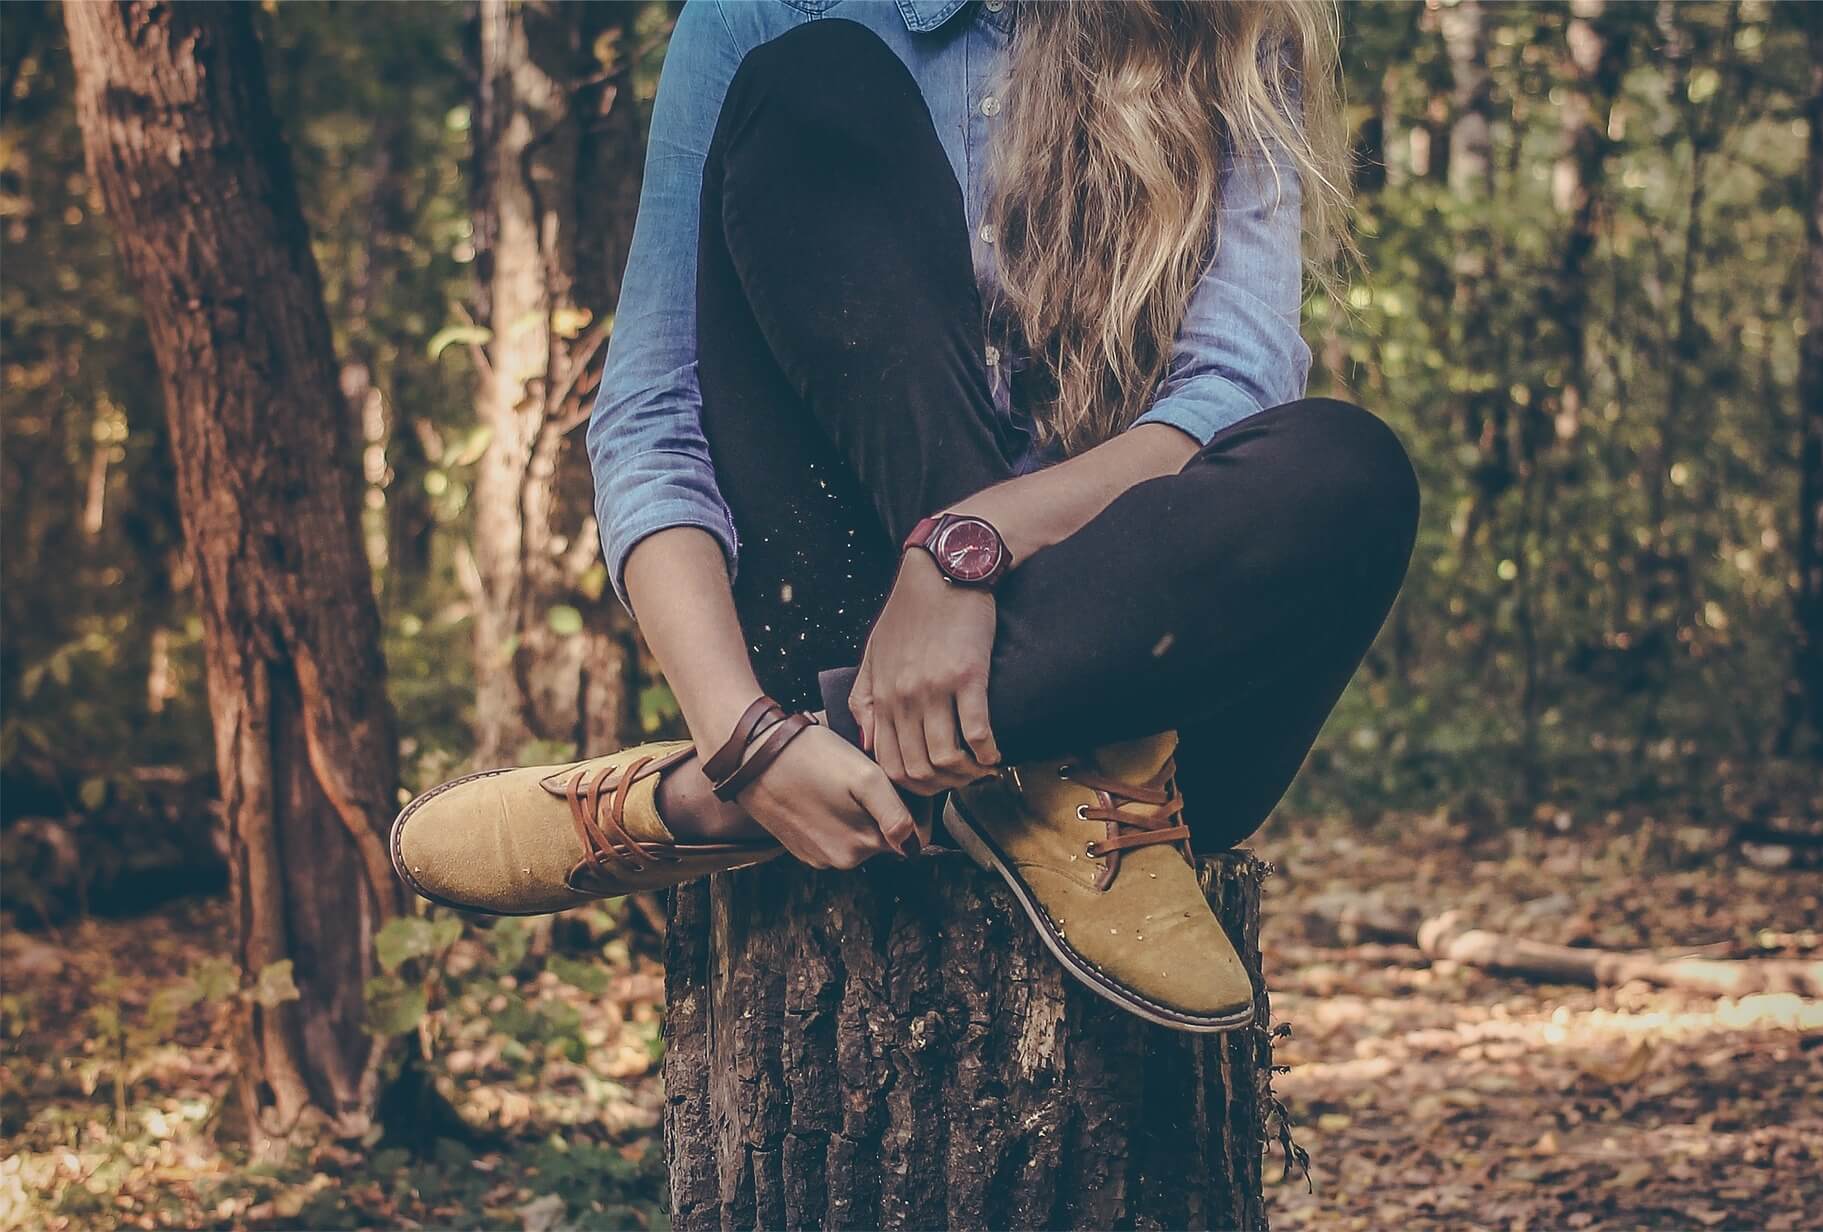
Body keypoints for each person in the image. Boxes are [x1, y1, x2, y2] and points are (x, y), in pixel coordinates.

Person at [391, 0, 1417, 1033]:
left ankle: (700, 806)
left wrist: (965, 552)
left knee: (1349, 468)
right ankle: (965, 767)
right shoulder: (757, 12)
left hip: (1132, 690)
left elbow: (1233, 384)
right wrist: (739, 725)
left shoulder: (1227, 19)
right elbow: (654, 415)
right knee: (815, 86)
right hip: (851, 617)